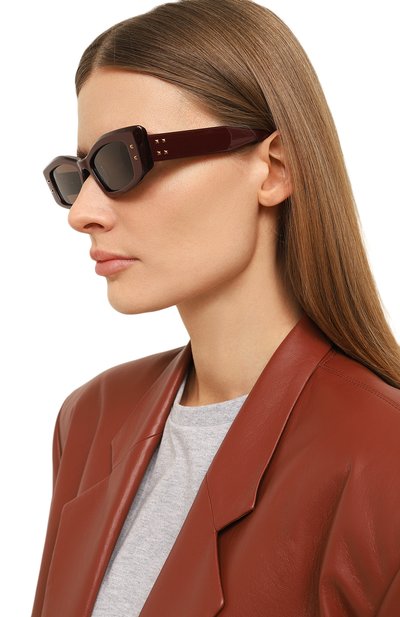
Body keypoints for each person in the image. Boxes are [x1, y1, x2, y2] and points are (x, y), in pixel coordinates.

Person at [32, 0, 400, 615]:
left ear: (274, 168)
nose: (82, 213)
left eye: (124, 162)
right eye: (80, 173)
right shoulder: (91, 419)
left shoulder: (383, 456)